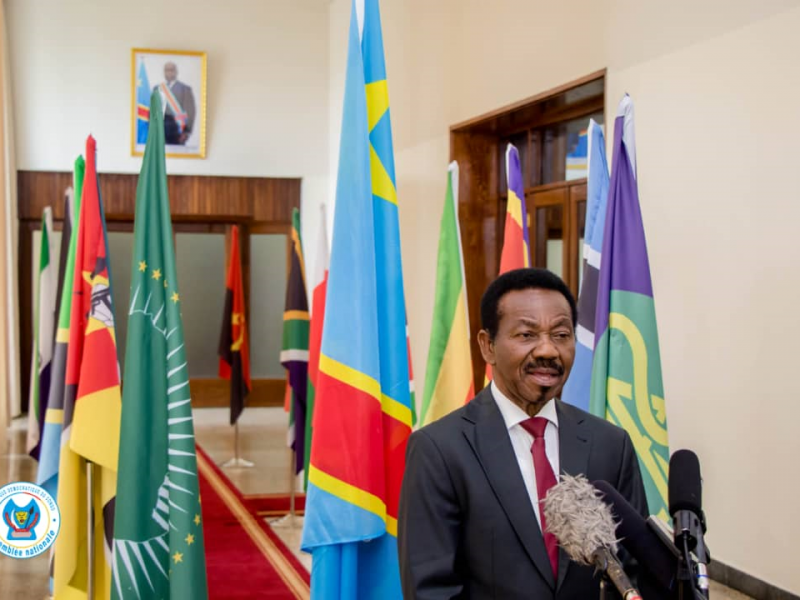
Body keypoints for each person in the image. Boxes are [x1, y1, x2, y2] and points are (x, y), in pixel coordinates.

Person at [398, 268, 649, 599]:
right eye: (527, 335)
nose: (547, 351)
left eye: (561, 335)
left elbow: (636, 570)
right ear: (488, 346)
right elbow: (431, 590)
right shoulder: (439, 450)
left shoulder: (610, 444)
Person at [154, 61, 196, 145]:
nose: (169, 72)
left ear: (176, 72)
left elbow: (190, 112)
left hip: (177, 131)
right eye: (166, 70)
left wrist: (186, 132)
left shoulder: (185, 89)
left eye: (171, 70)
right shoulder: (157, 88)